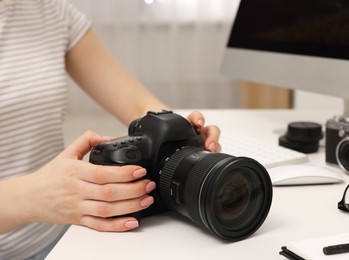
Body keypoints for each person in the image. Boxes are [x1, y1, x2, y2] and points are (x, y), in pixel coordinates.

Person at [0, 0, 221, 259]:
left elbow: (137, 103)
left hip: (60, 235)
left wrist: (180, 135)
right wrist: (34, 197)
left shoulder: (47, 9)